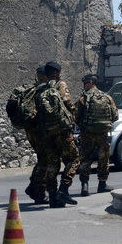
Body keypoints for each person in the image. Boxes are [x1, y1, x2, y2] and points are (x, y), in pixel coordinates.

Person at [35, 61, 80, 208]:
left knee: (52, 164)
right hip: (62, 130)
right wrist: (74, 112)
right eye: (59, 71)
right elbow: (67, 101)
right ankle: (64, 189)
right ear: (55, 73)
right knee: (74, 159)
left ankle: (54, 198)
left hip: (47, 133)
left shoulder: (39, 89)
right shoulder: (60, 84)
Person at [76, 74, 118, 195]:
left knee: (85, 159)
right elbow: (115, 116)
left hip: (87, 134)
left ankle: (85, 186)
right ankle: (102, 184)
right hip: (103, 134)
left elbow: (75, 116)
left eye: (84, 83)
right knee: (103, 158)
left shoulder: (83, 98)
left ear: (90, 82)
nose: (83, 86)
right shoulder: (107, 97)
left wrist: (83, 124)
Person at [24, 66, 49, 204]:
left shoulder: (31, 90)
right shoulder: (43, 91)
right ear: (44, 76)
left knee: (42, 159)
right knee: (45, 161)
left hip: (30, 130)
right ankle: (38, 191)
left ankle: (33, 187)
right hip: (40, 130)